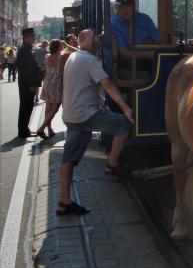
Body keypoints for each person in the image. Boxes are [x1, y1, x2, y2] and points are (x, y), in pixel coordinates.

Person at [58, 29, 134, 215]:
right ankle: (112, 165)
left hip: (71, 115)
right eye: (95, 39)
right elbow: (106, 84)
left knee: (69, 159)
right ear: (86, 41)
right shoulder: (89, 60)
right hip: (85, 115)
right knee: (123, 124)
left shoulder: (74, 57)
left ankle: (64, 202)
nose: (98, 41)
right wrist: (125, 107)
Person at [110, 0, 159, 71]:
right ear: (117, 8)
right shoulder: (113, 23)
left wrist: (149, 44)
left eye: (128, 6)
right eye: (122, 7)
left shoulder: (145, 19)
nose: (125, 10)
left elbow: (157, 40)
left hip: (149, 58)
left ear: (134, 7)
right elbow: (124, 54)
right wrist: (149, 55)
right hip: (127, 62)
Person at [36, 39, 67, 140]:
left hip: (47, 83)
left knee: (48, 107)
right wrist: (67, 45)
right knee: (55, 108)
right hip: (57, 84)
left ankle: (49, 130)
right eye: (61, 45)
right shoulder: (62, 57)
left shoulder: (47, 56)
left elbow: (46, 69)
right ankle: (41, 128)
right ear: (59, 47)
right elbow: (77, 51)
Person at [16, 28, 43, 138]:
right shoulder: (24, 50)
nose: (34, 38)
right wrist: (32, 84)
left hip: (29, 83)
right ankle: (23, 131)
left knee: (28, 106)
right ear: (26, 37)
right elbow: (26, 70)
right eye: (32, 36)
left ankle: (24, 128)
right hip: (27, 84)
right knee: (25, 107)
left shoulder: (28, 49)